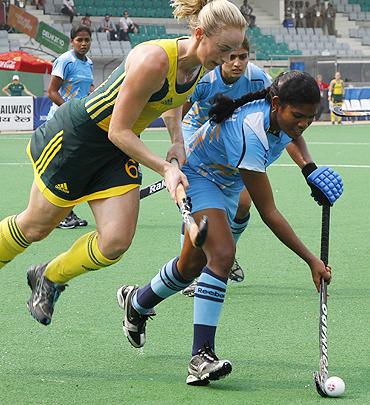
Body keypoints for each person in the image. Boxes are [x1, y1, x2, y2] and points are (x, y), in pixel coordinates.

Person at [0, 0, 247, 327]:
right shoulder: (154, 60)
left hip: (117, 151)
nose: (229, 57)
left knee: (115, 241)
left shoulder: (200, 63)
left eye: (236, 49)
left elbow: (173, 101)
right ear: (200, 34)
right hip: (80, 139)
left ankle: (49, 277)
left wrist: (177, 141)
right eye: (225, 48)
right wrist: (165, 168)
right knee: (36, 227)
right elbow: (118, 129)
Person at [117, 71, 343, 385]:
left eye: (310, 117)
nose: (303, 124)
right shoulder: (251, 131)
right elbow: (270, 212)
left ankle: (137, 302)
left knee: (189, 267)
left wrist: (309, 168)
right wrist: (312, 261)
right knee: (222, 255)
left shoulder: (281, 118)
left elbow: (292, 135)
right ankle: (201, 357)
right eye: (298, 116)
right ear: (276, 104)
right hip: (197, 175)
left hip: (225, 181)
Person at [180, 36, 272, 294]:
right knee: (200, 204)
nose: (236, 63)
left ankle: (227, 251)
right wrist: (178, 147)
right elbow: (180, 109)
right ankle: (188, 267)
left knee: (244, 204)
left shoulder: (258, 78)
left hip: (230, 140)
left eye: (242, 57)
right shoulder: (206, 79)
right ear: (221, 57)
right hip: (196, 134)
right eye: (231, 57)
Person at [46, 25, 94, 229]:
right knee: (63, 166)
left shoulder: (89, 63)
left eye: (87, 40)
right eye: (79, 40)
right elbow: (52, 92)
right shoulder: (65, 60)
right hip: (61, 122)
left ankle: (66, 212)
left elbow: (88, 88)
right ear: (71, 41)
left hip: (79, 123)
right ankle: (58, 215)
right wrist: (70, 111)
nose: (83, 43)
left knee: (75, 166)